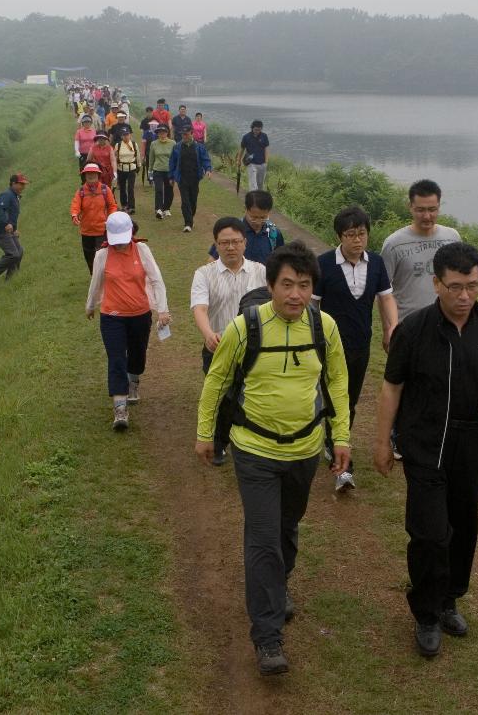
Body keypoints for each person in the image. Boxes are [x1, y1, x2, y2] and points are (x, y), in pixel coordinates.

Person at [195, 241, 350, 676]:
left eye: (303, 286)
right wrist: (207, 433)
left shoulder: (325, 328)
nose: (295, 295)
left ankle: (277, 587)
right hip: (255, 450)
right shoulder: (245, 328)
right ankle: (267, 637)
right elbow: (216, 381)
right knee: (263, 537)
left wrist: (342, 438)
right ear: (271, 285)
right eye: (287, 285)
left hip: (304, 450)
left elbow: (337, 382)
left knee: (287, 528)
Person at [372, 242, 478, 659]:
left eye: (472, 286)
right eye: (454, 287)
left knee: (464, 525)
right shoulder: (414, 331)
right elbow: (392, 387)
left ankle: (450, 598)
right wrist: (382, 443)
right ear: (436, 283)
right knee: (429, 532)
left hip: (472, 443)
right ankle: (426, 614)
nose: (464, 297)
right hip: (425, 444)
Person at [312, 206, 398, 491]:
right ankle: (341, 458)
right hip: (330, 346)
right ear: (340, 236)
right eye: (351, 234)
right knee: (335, 398)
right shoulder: (324, 264)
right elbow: (312, 305)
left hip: (361, 345)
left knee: (350, 400)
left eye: (362, 234)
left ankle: (333, 441)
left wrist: (391, 329)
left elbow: (386, 299)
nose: (357, 240)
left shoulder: (375, 264)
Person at [192, 217, 269, 465]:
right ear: (216, 245)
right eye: (224, 243)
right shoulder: (204, 274)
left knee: (250, 394)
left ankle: (247, 439)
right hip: (218, 345)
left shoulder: (261, 272)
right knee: (223, 395)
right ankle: (219, 441)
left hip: (254, 348)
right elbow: (200, 308)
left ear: (245, 243)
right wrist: (208, 334)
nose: (231, 247)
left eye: (236, 242)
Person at [86, 211, 171, 431]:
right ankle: (120, 408)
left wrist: (163, 310)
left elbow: (156, 279)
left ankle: (133, 380)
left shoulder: (142, 250)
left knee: (137, 356)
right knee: (116, 360)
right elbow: (96, 282)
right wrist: (90, 306)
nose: (120, 245)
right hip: (112, 316)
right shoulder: (102, 255)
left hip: (140, 315)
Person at [380, 179, 462, 323]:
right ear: (410, 207)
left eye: (432, 209)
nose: (427, 216)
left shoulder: (452, 238)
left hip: (446, 323)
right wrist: (389, 329)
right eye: (420, 210)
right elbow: (383, 292)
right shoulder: (394, 244)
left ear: (439, 207)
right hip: (408, 325)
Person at [207, 189, 286, 264]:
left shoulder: (274, 234)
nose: (258, 222)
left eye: (263, 218)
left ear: (269, 211)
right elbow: (212, 260)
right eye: (253, 217)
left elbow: (281, 261)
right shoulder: (232, 231)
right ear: (245, 209)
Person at [71, 163, 119, 272]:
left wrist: (110, 218)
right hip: (86, 232)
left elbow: (112, 206)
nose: (91, 176)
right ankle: (94, 278)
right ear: (85, 176)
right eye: (88, 174)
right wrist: (74, 215)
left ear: (98, 175)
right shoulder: (81, 192)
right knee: (90, 258)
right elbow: (75, 205)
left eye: (93, 173)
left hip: (102, 231)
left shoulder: (105, 190)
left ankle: (103, 279)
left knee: (101, 257)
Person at [0, 172, 29, 285]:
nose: (23, 187)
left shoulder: (14, 196)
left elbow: (12, 215)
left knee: (19, 251)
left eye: (24, 184)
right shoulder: (7, 195)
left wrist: (14, 229)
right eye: (21, 184)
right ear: (13, 183)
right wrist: (5, 224)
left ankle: (11, 278)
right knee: (13, 254)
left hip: (8, 230)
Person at [168, 127, 212, 233]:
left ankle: (190, 217)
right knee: (185, 201)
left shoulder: (199, 147)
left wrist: (208, 169)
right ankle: (187, 223)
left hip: (194, 178)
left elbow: (205, 159)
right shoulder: (177, 147)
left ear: (192, 134)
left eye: (187, 134)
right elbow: (172, 162)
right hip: (182, 178)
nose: (184, 136)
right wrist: (171, 176)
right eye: (183, 134)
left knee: (193, 200)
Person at [148, 124, 176, 220]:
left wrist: (175, 171)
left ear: (167, 133)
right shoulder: (154, 144)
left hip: (169, 171)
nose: (162, 134)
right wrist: (150, 171)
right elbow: (151, 158)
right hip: (157, 170)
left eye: (163, 132)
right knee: (159, 190)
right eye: (160, 132)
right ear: (158, 134)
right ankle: (159, 209)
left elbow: (175, 158)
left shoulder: (173, 143)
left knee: (169, 190)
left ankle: (167, 208)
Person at [114, 129, 141, 213]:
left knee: (130, 188)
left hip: (131, 168)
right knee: (122, 187)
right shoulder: (118, 145)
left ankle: (131, 206)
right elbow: (115, 157)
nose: (126, 136)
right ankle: (124, 205)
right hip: (121, 168)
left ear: (130, 135)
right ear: (121, 136)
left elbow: (138, 155)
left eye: (127, 134)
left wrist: (138, 166)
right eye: (124, 135)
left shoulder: (133, 144)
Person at [240, 120, 271, 192]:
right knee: (253, 184)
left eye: (259, 130)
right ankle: (253, 200)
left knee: (260, 184)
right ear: (252, 128)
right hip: (251, 163)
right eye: (256, 129)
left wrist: (266, 162)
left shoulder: (264, 136)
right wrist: (239, 160)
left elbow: (266, 149)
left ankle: (259, 200)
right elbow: (242, 149)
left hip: (262, 163)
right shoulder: (246, 137)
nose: (257, 131)